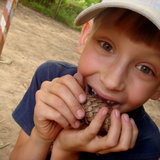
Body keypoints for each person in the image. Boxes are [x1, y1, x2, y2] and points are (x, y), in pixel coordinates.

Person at [10, 0, 160, 159]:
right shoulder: (49, 79)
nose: (112, 82)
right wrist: (41, 137)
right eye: (106, 46)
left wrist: (65, 150)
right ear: (85, 37)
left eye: (145, 69)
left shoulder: (146, 145)